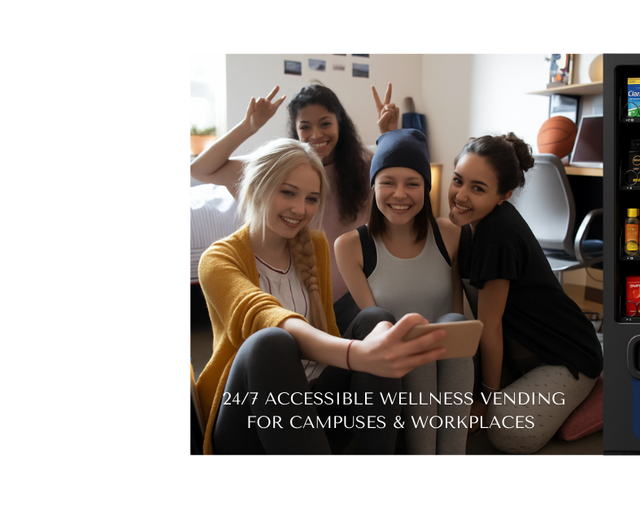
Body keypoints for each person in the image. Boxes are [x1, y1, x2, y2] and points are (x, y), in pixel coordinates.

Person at [195, 138, 445, 455]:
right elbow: (266, 317)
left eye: (311, 199)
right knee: (270, 341)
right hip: (248, 417)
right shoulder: (218, 260)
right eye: (288, 192)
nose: (300, 209)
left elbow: (325, 327)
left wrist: (375, 341)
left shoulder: (315, 245)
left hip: (315, 405)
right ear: (258, 186)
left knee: (375, 318)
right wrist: (358, 354)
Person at [190, 82, 400, 329]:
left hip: (352, 298)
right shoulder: (281, 169)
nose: (316, 135)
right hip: (296, 302)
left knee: (379, 322)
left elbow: (401, 181)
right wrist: (249, 126)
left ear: (339, 122)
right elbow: (199, 169)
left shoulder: (366, 165)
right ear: (295, 130)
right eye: (305, 127)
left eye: (325, 123)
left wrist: (390, 134)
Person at [448, 133, 603, 454]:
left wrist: (488, 399)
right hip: (523, 352)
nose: (460, 195)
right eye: (457, 181)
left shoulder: (496, 235)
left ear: (504, 195)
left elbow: (489, 327)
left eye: (477, 188)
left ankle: (600, 392)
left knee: (507, 431)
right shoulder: (472, 226)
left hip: (565, 356)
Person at [335, 129, 473, 454]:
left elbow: (457, 312)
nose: (400, 194)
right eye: (388, 182)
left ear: (427, 187)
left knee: (451, 321)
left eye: (413, 183)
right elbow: (374, 325)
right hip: (393, 371)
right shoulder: (351, 246)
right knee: (414, 333)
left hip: (448, 365)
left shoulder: (450, 234)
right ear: (373, 186)